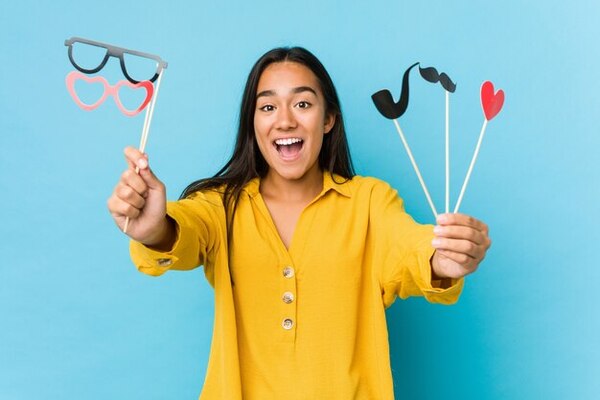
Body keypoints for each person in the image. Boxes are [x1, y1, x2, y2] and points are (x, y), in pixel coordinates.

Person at [107, 47, 491, 400]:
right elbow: (183, 230)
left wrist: (444, 258)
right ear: (252, 123)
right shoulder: (220, 206)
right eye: (268, 107)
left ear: (328, 120)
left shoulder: (370, 201)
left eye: (303, 103)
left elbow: (409, 248)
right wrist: (153, 227)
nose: (285, 121)